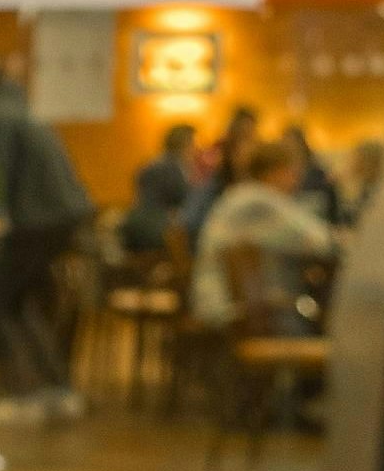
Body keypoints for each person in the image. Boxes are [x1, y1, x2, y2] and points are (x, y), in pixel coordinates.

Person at [0, 65, 93, 427]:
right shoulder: (21, 109)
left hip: (37, 221)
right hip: (59, 219)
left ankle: (21, 394)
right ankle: (55, 390)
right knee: (18, 304)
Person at [192, 141, 341, 332]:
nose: (298, 179)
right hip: (241, 315)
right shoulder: (258, 201)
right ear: (277, 171)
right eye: (293, 171)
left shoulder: (240, 195)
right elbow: (320, 242)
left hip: (238, 308)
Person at [182, 105, 260, 243]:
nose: (249, 150)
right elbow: (190, 225)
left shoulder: (258, 188)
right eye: (244, 140)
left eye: (252, 140)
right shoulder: (212, 187)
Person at [120, 123, 197, 256]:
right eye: (194, 144)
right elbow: (184, 200)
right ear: (185, 144)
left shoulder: (151, 164)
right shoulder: (170, 168)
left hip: (135, 225)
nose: (196, 149)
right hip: (156, 230)